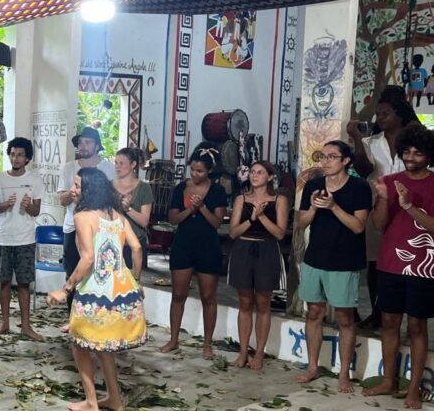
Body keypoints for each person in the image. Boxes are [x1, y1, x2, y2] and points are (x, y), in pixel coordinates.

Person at [47, 167, 145, 411]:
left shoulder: (83, 216)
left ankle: (91, 402)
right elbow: (136, 248)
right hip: (123, 291)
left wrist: (66, 289)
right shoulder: (116, 215)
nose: (73, 190)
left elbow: (88, 258)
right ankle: (114, 398)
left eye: (77, 186)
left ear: (89, 190)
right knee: (103, 346)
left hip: (95, 291)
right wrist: (137, 280)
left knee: (79, 344)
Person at [364, 123, 434, 408]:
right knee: (389, 322)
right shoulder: (389, 181)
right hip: (390, 263)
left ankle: (414, 388)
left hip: (424, 267)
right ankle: (388, 380)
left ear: (429, 155)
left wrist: (408, 207)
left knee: (417, 326)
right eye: (406, 152)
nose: (410, 157)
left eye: (418, 153)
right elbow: (380, 225)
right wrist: (382, 197)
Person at [295, 140, 371, 393]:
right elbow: (301, 223)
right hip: (315, 258)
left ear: (345, 161)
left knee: (344, 318)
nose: (325, 161)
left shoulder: (359, 187)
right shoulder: (314, 185)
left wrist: (333, 206)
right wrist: (314, 208)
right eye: (322, 157)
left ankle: (344, 373)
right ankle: (312, 366)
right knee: (314, 313)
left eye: (331, 156)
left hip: (344, 260)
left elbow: (358, 226)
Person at [347, 87, 419, 329]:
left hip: (411, 210)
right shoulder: (370, 142)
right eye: (378, 114)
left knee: (410, 260)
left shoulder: (414, 142)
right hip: (378, 208)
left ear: (399, 114)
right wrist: (357, 139)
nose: (380, 118)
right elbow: (364, 169)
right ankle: (378, 312)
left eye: (385, 113)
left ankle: (409, 315)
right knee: (376, 262)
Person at [158, 147, 227, 359]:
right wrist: (190, 209)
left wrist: (202, 207)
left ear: (209, 171)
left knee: (208, 296)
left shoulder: (217, 191)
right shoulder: (180, 188)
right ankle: (173, 339)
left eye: (200, 171)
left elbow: (216, 223)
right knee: (178, 294)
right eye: (193, 170)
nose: (195, 174)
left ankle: (207, 344)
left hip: (208, 246)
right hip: (183, 244)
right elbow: (173, 219)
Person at [227, 160, 289, 369]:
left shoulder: (279, 199)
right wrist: (252, 218)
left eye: (260, 172)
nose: (254, 175)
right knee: (245, 303)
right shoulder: (241, 199)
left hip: (267, 250)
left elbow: (279, 233)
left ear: (270, 177)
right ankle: (243, 351)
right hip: (243, 249)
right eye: (252, 171)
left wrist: (261, 217)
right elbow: (233, 232)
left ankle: (259, 353)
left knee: (263, 303)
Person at [57, 127, 115, 330]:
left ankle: (98, 319)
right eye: (80, 142)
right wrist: (71, 194)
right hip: (72, 227)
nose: (83, 146)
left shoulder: (108, 168)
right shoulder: (68, 168)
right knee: (73, 271)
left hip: (100, 228)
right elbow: (62, 200)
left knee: (99, 274)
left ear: (97, 146)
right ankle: (73, 319)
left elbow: (112, 198)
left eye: (88, 142)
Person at [0, 137, 43, 340]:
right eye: (12, 154)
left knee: (24, 283)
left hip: (25, 239)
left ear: (27, 158)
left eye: (20, 155)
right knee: (4, 282)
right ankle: (4, 323)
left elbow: (36, 211)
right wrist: (5, 205)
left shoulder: (35, 179)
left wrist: (28, 206)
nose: (15, 158)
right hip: (4, 238)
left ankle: (26, 326)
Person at [112, 147, 153, 270]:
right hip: (112, 242)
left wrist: (128, 209)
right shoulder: (108, 186)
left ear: (133, 164)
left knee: (133, 280)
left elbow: (144, 221)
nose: (117, 167)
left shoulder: (144, 188)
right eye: (116, 163)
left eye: (122, 163)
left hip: (135, 244)